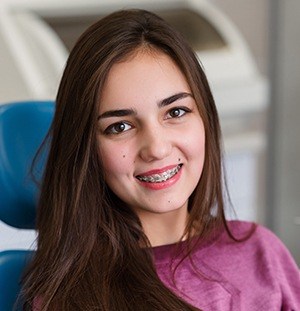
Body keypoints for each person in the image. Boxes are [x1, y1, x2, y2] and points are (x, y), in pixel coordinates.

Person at [21, 9, 299, 311]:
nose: (156, 148)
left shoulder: (262, 253)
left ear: (205, 116)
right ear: (87, 149)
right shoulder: (72, 297)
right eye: (120, 127)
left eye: (176, 112)